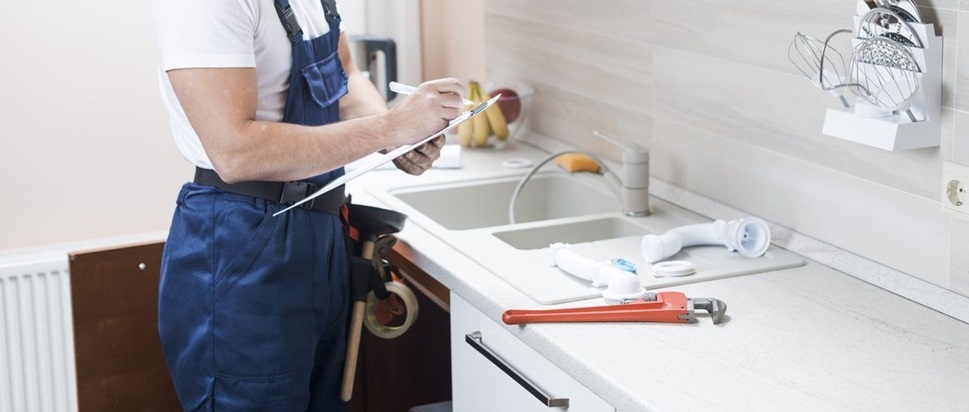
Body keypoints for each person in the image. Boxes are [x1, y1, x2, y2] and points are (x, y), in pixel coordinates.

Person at [151, 0, 465, 410]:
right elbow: (235, 151)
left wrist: (396, 141)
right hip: (242, 247)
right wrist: (390, 126)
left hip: (321, 233)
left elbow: (345, 74)